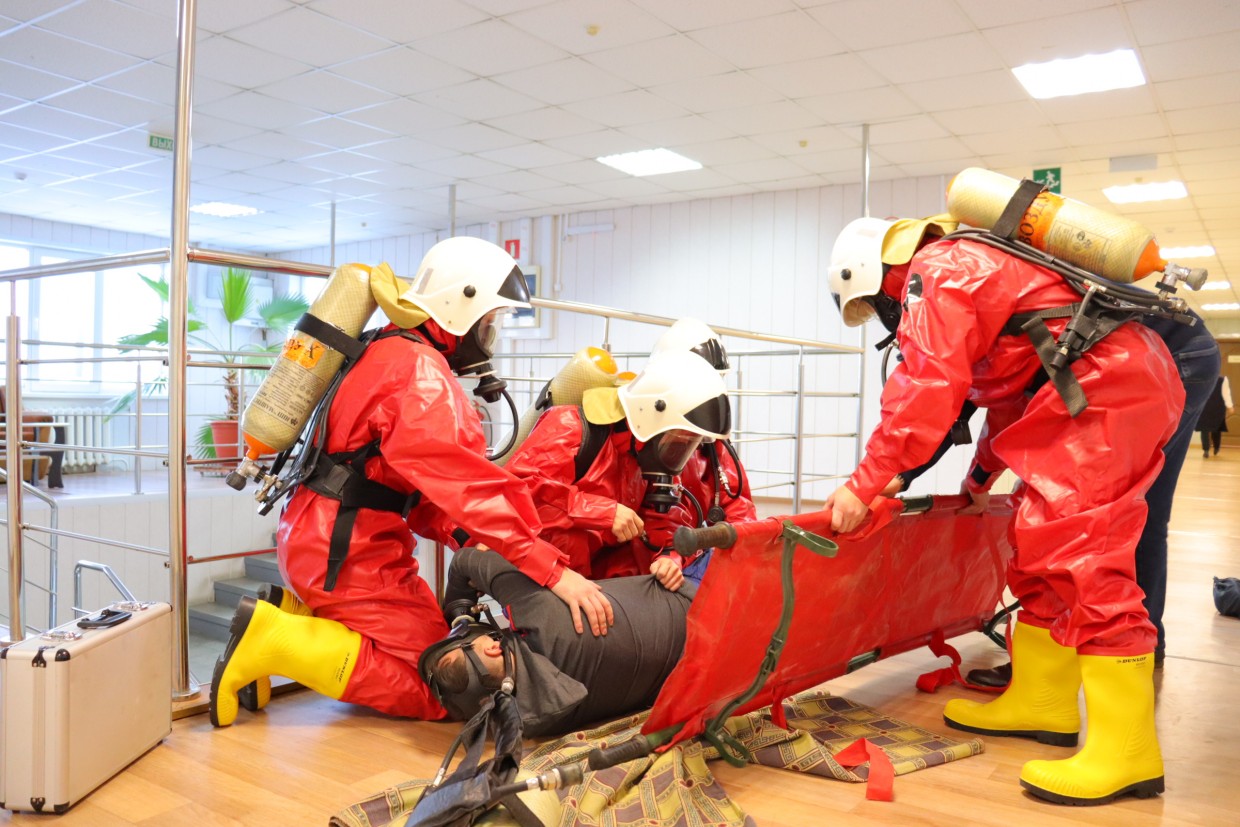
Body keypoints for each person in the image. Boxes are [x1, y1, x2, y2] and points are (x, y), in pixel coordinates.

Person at [825, 215, 1184, 806]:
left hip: (1103, 391)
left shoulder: (939, 271)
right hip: (1098, 386)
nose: (887, 319)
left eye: (872, 304)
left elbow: (926, 388)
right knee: (1036, 542)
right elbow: (1010, 394)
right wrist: (980, 478)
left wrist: (862, 485)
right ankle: (1041, 703)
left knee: (1083, 557)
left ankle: (1128, 753)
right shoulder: (976, 267)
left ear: (870, 272)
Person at [209, 237, 613, 729]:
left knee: (440, 648)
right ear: (459, 307)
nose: (491, 336)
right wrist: (552, 570)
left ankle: (295, 613)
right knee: (448, 684)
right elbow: (469, 487)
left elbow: (416, 492)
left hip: (322, 541)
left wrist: (471, 540)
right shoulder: (421, 374)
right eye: (490, 321)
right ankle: (277, 640)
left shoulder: (386, 347)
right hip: (349, 557)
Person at [911, 309, 1220, 683]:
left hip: (1163, 352)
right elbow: (1000, 406)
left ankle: (1100, 660)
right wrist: (978, 478)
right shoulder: (984, 306)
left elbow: (1006, 409)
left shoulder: (977, 313)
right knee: (1125, 509)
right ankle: (1096, 657)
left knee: (1087, 509)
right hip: (1161, 345)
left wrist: (977, 479)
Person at [504, 348, 732, 585]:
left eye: (687, 445)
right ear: (651, 418)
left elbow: (663, 518)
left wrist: (669, 557)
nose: (678, 454)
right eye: (676, 440)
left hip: (588, 580)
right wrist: (602, 511)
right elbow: (516, 494)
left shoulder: (646, 457)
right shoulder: (571, 426)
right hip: (532, 572)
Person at [419, 546, 695, 737]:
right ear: (493, 648)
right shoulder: (544, 617)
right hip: (694, 596)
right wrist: (458, 609)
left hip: (698, 669)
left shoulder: (539, 721)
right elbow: (465, 560)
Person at [648, 318, 757, 584]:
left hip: (690, 553)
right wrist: (674, 554)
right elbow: (654, 519)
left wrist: (745, 543)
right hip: (661, 564)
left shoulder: (711, 441)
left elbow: (735, 500)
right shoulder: (648, 437)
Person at [1196, 374, 1233, 457]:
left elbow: (1198, 393)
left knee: (1206, 429)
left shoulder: (1203, 378)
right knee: (1213, 429)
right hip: (1215, 406)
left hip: (1207, 406)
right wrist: (1230, 406)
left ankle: (1208, 449)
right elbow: (1226, 393)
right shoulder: (1222, 379)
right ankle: (1214, 448)